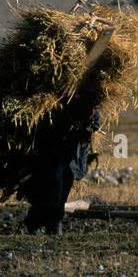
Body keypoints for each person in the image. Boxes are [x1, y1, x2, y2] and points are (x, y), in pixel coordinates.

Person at [21, 100, 101, 235]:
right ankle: (34, 222)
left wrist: (88, 130)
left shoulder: (94, 114)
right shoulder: (65, 111)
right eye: (90, 108)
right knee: (54, 192)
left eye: (94, 108)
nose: (92, 112)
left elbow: (93, 128)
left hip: (72, 159)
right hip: (55, 156)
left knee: (63, 193)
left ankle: (54, 225)